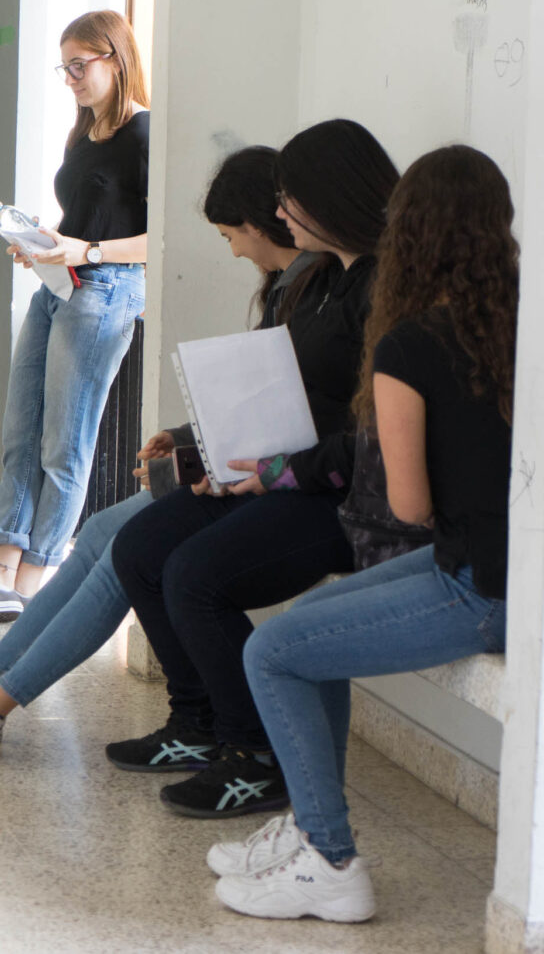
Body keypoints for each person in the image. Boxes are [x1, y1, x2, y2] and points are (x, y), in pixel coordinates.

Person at [0, 146, 314, 764]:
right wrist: (187, 438)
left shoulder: (315, 288)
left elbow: (295, 418)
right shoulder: (289, 286)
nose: (234, 251)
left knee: (120, 537)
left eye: (232, 236)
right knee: (102, 534)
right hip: (238, 467)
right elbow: (267, 399)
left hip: (266, 484)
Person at [212, 145, 516, 923]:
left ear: (404, 231)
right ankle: (314, 827)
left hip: (477, 584)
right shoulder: (528, 322)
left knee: (271, 649)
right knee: (306, 633)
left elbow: (410, 506)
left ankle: (332, 862)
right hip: (519, 571)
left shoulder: (409, 344)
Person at [105, 118, 399, 820]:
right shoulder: (321, 280)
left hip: (339, 495)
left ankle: (255, 754)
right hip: (285, 470)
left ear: (330, 197)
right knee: (140, 547)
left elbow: (366, 431)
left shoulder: (384, 290)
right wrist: (210, 450)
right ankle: (198, 722)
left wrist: (274, 470)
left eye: (291, 199)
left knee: (196, 573)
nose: (282, 213)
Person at [0, 10, 150, 625]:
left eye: (82, 66)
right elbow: (86, 217)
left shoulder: (146, 135)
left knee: (65, 444)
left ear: (117, 58)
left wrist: (90, 251)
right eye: (66, 68)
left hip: (106, 291)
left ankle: (35, 579)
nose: (72, 78)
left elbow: (164, 239)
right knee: (21, 429)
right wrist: (47, 242)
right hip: (60, 284)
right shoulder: (86, 132)